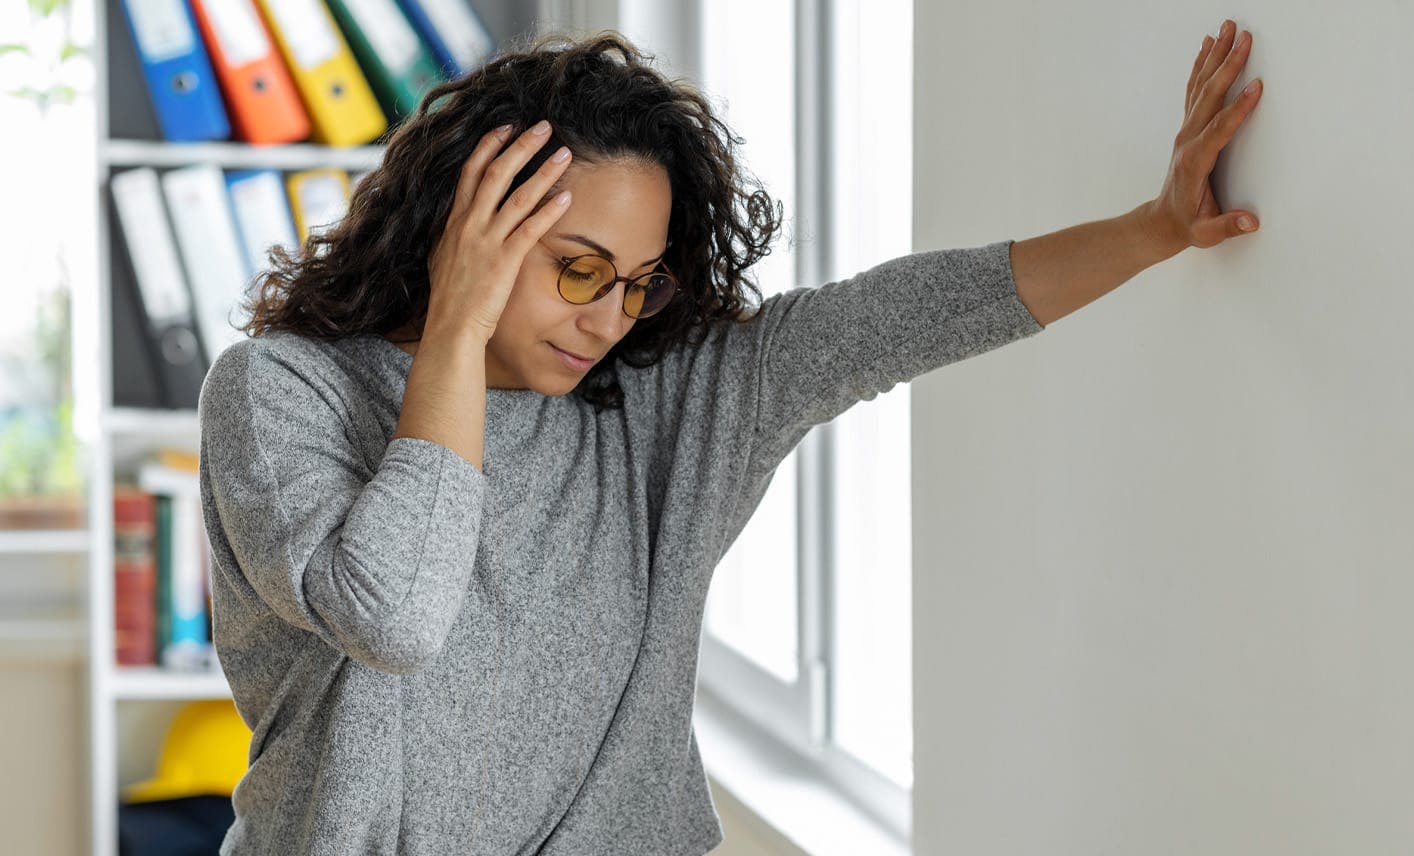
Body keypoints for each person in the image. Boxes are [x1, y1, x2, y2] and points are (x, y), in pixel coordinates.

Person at [197, 21, 1261, 855]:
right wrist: (459, 326)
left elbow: (893, 315)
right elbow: (393, 613)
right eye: (576, 267)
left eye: (636, 281)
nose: (608, 317)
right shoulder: (279, 394)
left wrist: (1153, 227)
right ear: (464, 231)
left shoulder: (657, 403)